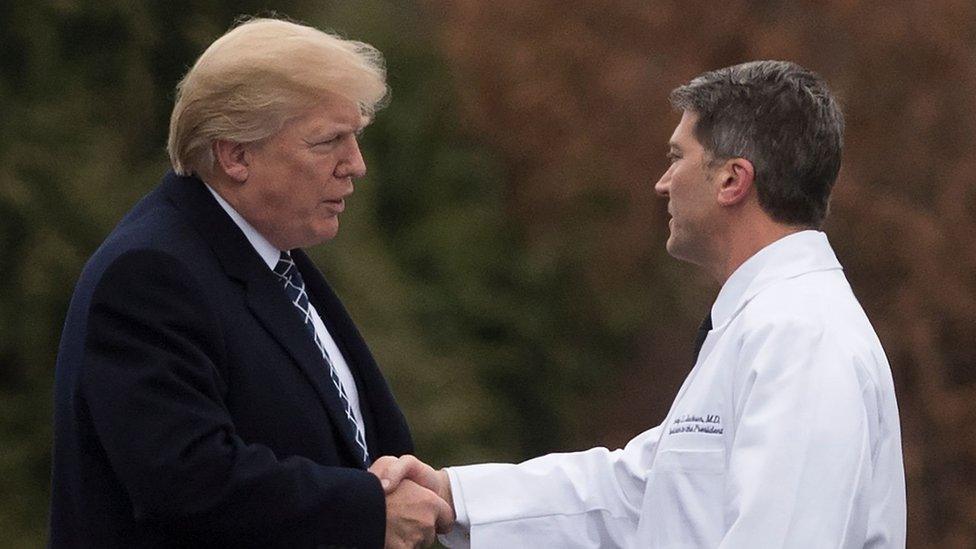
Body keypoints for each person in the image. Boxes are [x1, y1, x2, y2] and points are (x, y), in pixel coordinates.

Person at [374, 60, 907, 548]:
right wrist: (454, 496)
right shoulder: (769, 323)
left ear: (732, 180)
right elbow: (641, 494)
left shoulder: (800, 334)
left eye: (677, 157)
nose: (662, 182)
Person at [49, 17, 451, 548]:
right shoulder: (150, 274)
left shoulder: (271, 255)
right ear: (235, 154)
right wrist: (364, 511)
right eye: (329, 141)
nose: (356, 165)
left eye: (354, 138)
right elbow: (186, 479)